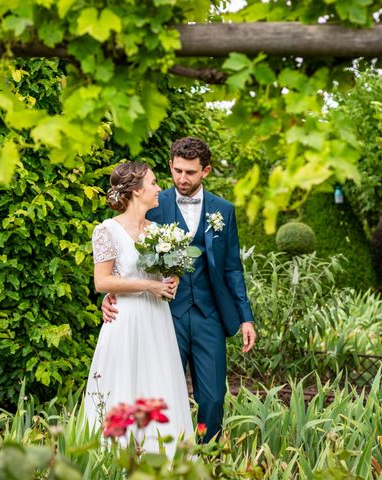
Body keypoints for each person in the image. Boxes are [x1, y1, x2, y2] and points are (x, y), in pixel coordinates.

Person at [102, 137, 256, 441]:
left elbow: (232, 268)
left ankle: (207, 454)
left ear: (206, 171)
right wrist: (110, 296)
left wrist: (245, 317)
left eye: (190, 172)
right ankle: (165, 455)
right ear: (171, 165)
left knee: (213, 398)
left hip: (209, 314)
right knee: (161, 391)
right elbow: (122, 256)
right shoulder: (153, 205)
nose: (181, 179)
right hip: (163, 314)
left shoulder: (223, 211)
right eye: (177, 171)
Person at [84, 161, 194, 454]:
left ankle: (163, 459)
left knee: (159, 384)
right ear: (135, 190)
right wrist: (150, 286)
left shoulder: (159, 231)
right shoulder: (107, 230)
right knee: (122, 388)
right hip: (125, 320)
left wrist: (171, 282)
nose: (159, 188)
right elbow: (102, 281)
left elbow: (164, 278)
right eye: (154, 183)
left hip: (157, 321)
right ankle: (115, 460)